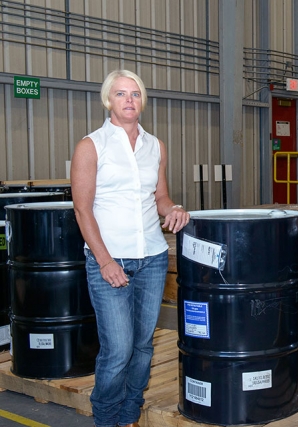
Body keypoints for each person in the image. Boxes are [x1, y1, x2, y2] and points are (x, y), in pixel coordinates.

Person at [71, 69, 190, 427]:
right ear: (109, 100)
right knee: (118, 350)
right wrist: (105, 261)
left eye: (135, 94)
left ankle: (129, 415)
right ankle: (106, 420)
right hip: (110, 260)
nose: (129, 100)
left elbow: (160, 197)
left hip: (152, 258)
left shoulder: (156, 146)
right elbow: (82, 209)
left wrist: (175, 209)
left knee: (142, 347)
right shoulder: (91, 146)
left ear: (143, 101)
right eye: (121, 94)